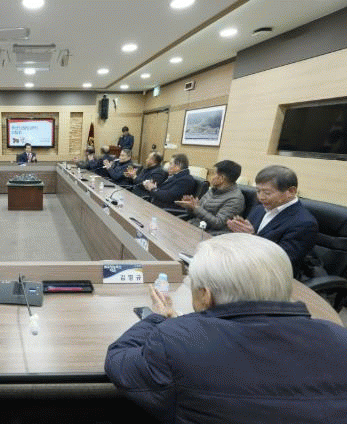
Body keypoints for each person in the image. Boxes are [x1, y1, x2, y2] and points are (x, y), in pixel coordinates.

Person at [105, 233, 347, 423]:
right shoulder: (339, 338)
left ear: (205, 296)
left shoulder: (177, 340)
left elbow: (119, 361)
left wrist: (157, 318)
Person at [227, 165, 318, 274]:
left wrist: (252, 237)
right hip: (245, 265)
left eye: (267, 193)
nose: (260, 197)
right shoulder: (259, 209)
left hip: (272, 275)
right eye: (258, 191)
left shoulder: (305, 222)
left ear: (291, 191)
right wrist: (238, 234)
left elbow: (282, 261)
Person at [176, 160, 245, 234]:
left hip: (208, 234)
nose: (211, 177)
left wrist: (196, 207)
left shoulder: (235, 199)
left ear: (221, 178)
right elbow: (197, 212)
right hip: (194, 226)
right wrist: (190, 207)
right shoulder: (214, 190)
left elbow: (218, 223)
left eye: (214, 174)